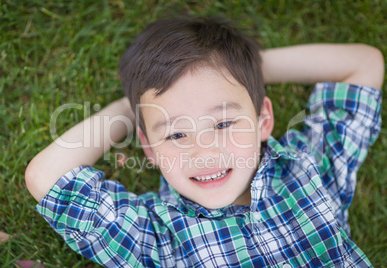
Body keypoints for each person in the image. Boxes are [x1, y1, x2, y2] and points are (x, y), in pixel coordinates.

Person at [25, 17, 384, 267]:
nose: (204, 151)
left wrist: (246, 70)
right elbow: (48, 176)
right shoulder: (159, 235)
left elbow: (362, 64)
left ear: (263, 120)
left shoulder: (308, 167)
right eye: (176, 134)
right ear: (148, 149)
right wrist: (130, 108)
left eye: (225, 122)